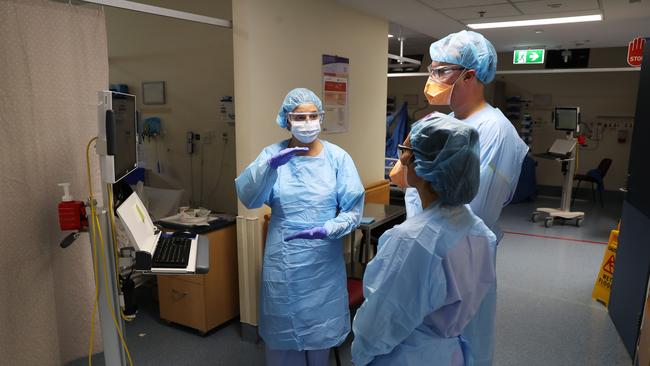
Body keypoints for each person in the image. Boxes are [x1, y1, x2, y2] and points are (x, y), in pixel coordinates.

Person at [398, 30, 528, 366]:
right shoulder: (450, 122)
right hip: (432, 250)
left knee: (466, 344)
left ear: (470, 75)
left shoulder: (494, 131)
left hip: (462, 258)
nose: (432, 79)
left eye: (442, 71)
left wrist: (411, 183)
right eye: (432, 70)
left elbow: (473, 212)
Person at [351, 115, 497, 366]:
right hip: (451, 355)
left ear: (422, 164)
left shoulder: (412, 241)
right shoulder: (481, 233)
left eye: (405, 150)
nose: (401, 159)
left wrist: (360, 355)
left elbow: (380, 322)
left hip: (406, 357)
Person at [235, 88, 365, 366]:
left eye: (312, 115)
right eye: (299, 116)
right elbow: (249, 197)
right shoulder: (273, 155)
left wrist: (329, 228)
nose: (307, 122)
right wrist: (268, 168)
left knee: (319, 338)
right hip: (284, 261)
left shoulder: (338, 158)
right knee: (284, 340)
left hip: (323, 264)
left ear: (321, 117)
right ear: (287, 119)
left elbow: (353, 210)